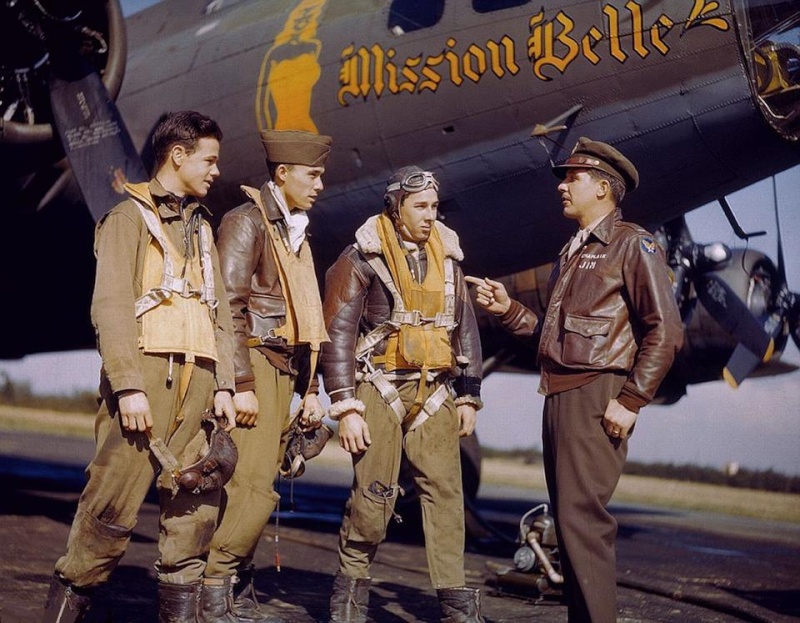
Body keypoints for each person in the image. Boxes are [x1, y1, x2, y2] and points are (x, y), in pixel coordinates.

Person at [467, 137, 683, 623]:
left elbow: (665, 331)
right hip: (561, 393)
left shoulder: (632, 244)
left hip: (597, 393)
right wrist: (508, 310)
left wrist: (631, 398)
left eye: (573, 177)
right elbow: (553, 336)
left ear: (604, 189)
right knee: (569, 525)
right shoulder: (571, 252)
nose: (563, 187)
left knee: (582, 523)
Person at [42, 110, 237, 622]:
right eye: (209, 159)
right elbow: (109, 307)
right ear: (178, 155)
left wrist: (225, 384)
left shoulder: (202, 228)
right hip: (145, 383)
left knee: (193, 521)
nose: (217, 170)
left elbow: (218, 313)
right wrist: (128, 387)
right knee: (108, 513)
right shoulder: (126, 219)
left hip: (199, 386)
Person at [321, 165, 485, 623]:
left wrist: (469, 395)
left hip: (435, 389)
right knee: (375, 498)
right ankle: (350, 597)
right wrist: (345, 406)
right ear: (395, 208)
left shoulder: (448, 258)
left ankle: (455, 604)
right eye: (421, 206)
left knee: (447, 496)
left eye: (435, 206)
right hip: (378, 386)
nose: (431, 216)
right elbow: (337, 333)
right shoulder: (359, 258)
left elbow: (464, 327)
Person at [206, 129, 333, 622]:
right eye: (312, 175)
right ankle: (214, 588)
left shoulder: (292, 231)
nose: (320, 185)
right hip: (255, 364)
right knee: (253, 489)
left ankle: (230, 585)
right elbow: (230, 308)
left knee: (259, 487)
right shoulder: (246, 223)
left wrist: (310, 389)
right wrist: (240, 384)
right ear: (283, 174)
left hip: (283, 369)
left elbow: (305, 319)